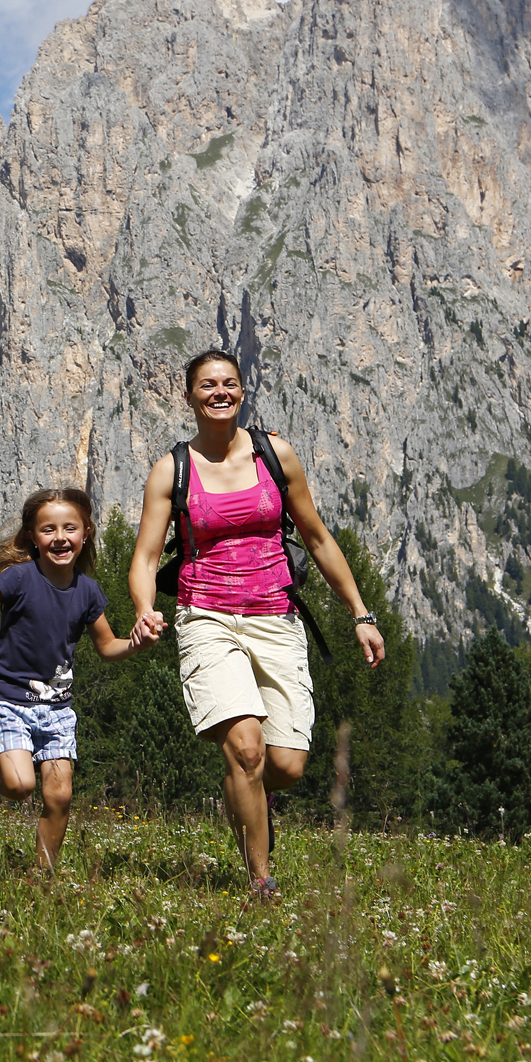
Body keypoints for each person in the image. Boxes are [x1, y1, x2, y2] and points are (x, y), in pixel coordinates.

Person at [128, 349, 385, 897]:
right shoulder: (171, 469)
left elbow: (316, 537)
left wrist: (360, 614)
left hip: (277, 616)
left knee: (286, 766)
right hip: (206, 617)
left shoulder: (275, 454)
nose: (219, 392)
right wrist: (145, 609)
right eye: (206, 385)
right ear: (190, 395)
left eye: (229, 383)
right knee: (247, 749)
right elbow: (147, 557)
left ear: (242, 391)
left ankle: (248, 797)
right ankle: (260, 882)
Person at [0, 488, 154, 869]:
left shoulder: (88, 592)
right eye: (48, 529)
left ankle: (42, 875)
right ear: (33, 536)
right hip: (9, 701)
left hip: (58, 710)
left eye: (70, 528)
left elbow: (107, 646)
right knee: (19, 786)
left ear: (85, 534)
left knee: (59, 795)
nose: (60, 537)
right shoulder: (18, 578)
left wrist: (135, 643)